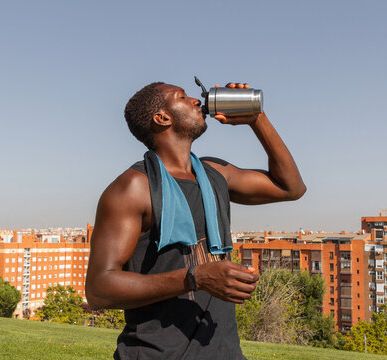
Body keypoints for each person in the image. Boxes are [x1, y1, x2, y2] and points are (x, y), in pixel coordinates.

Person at [85, 81, 306, 359]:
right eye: (182, 97)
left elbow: (291, 188)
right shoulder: (134, 187)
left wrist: (256, 118)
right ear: (162, 118)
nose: (196, 101)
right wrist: (195, 277)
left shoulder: (215, 173)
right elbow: (98, 289)